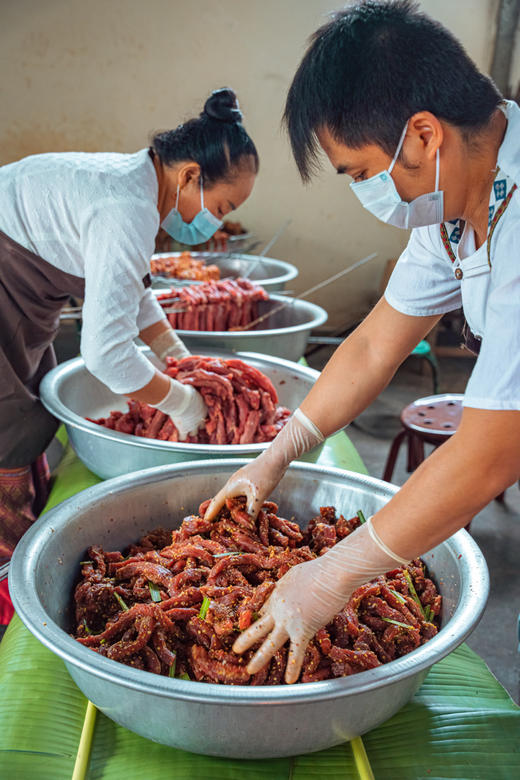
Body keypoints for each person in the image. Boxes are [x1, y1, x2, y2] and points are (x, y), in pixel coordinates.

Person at [204, 1, 520, 683]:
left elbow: (491, 454)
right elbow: (379, 341)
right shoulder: (458, 205)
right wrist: (280, 449)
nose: (361, 190)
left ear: (424, 136)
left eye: (357, 170)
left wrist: (336, 572)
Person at [0, 87, 258, 621]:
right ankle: (10, 575)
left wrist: (172, 351)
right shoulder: (128, 206)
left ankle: (26, 521)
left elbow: (129, 290)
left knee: (33, 403)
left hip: (23, 297)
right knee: (8, 418)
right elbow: (105, 354)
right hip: (10, 287)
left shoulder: (139, 186)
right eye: (223, 207)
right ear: (189, 176)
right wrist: (182, 403)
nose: (216, 222)